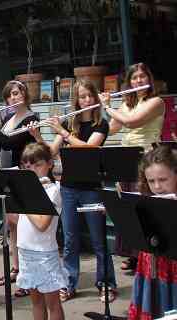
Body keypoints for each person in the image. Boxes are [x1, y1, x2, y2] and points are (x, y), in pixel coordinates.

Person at [30, 79, 118, 302]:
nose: (86, 100)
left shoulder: (101, 125)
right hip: (68, 188)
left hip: (91, 188)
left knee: (99, 240)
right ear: (76, 100)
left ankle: (106, 283)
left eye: (90, 96)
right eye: (82, 97)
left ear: (95, 99)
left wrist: (64, 132)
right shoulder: (71, 124)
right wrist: (38, 137)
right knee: (70, 240)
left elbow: (90, 148)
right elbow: (50, 151)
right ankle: (69, 283)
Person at [100, 62, 165, 273]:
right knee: (128, 208)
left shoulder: (156, 102)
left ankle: (146, 253)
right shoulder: (127, 104)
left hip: (147, 158)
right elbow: (113, 127)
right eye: (134, 78)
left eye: (142, 77)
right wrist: (83, 129)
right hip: (126, 159)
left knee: (144, 208)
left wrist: (108, 106)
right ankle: (134, 254)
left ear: (149, 79)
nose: (139, 81)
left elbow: (132, 122)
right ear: (129, 82)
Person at [0, 80, 39, 296]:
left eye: (18, 92)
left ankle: (27, 277)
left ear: (25, 95)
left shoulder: (31, 118)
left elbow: (9, 144)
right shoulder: (10, 118)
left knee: (22, 228)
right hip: (6, 175)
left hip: (22, 175)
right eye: (11, 94)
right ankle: (16, 268)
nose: (15, 97)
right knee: (12, 227)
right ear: (6, 99)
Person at [16, 142, 66, 320]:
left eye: (38, 165)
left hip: (44, 253)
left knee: (52, 303)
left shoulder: (52, 191)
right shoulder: (29, 190)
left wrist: (23, 201)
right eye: (28, 167)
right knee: (36, 302)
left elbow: (42, 224)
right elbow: (16, 222)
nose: (33, 170)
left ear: (49, 164)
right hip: (25, 250)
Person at [128, 146, 177, 320]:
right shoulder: (145, 199)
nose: (157, 187)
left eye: (163, 179)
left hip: (174, 266)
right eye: (151, 181)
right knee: (153, 306)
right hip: (152, 263)